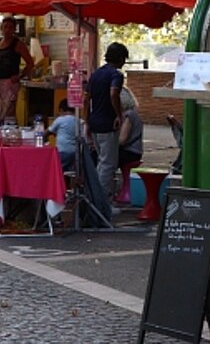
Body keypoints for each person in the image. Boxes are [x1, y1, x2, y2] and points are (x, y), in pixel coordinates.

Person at [86, 41, 128, 217]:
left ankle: (96, 199)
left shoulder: (95, 74)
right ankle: (101, 204)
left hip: (94, 122)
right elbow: (113, 94)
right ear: (119, 59)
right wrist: (119, 115)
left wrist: (86, 121)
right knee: (107, 164)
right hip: (108, 124)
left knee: (100, 163)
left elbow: (85, 98)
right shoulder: (116, 75)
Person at [116, 87, 144, 204]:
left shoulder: (128, 116)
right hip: (135, 152)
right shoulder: (134, 114)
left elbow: (122, 139)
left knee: (103, 162)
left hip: (130, 153)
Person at [46, 100, 80, 173]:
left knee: (52, 169)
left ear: (61, 110)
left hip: (63, 152)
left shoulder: (60, 119)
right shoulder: (79, 120)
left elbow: (47, 132)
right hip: (76, 153)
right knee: (70, 172)